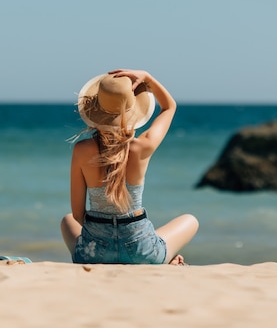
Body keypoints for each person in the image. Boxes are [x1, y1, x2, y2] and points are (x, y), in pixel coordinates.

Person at [60, 69, 199, 265]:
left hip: (93, 253)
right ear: (133, 112)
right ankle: (163, 257)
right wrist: (148, 77)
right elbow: (169, 107)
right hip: (141, 251)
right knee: (190, 220)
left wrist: (102, 236)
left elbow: (77, 215)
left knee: (66, 220)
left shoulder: (81, 150)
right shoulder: (143, 146)